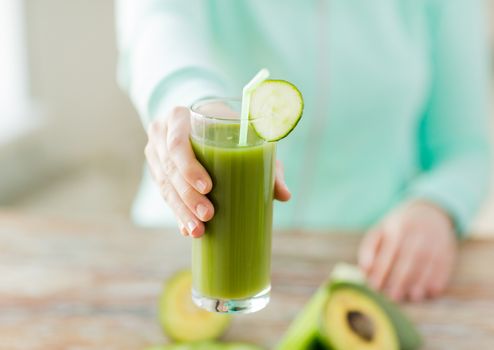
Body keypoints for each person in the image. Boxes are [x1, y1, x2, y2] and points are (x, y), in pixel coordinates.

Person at [116, 0, 491, 302]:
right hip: (184, 261)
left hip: (367, 274)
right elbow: (157, 25)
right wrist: (190, 104)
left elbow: (466, 146)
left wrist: (437, 206)